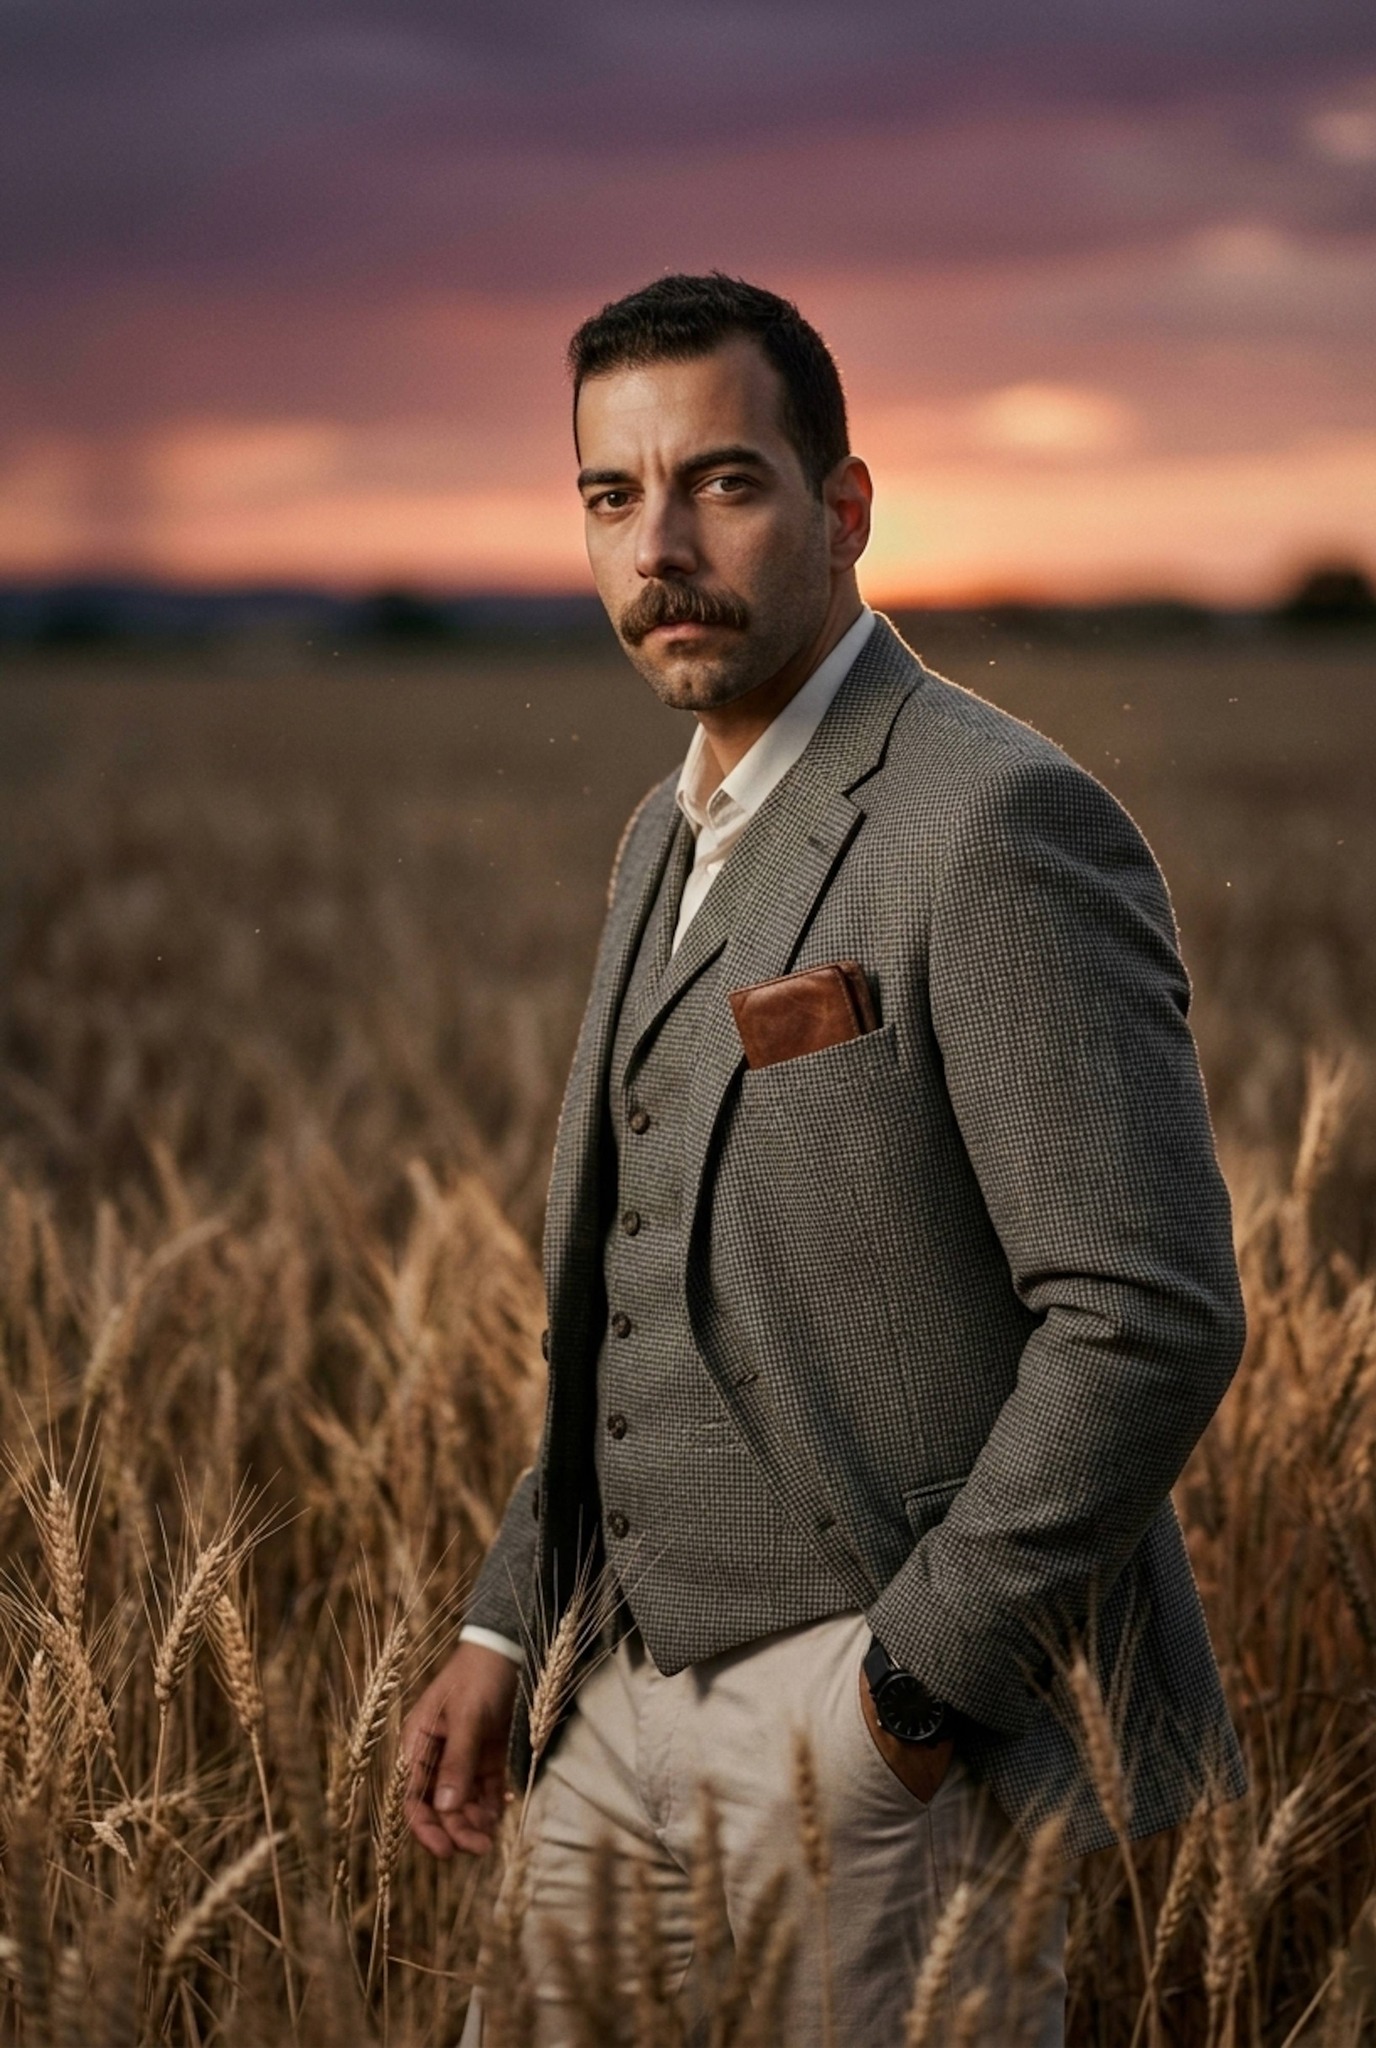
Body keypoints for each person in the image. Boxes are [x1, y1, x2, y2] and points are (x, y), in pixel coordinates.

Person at [401, 272, 1247, 2047]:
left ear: (843, 506)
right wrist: (506, 1625)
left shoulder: (992, 819)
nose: (659, 550)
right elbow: (635, 1297)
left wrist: (913, 1698)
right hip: (606, 1692)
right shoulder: (660, 838)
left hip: (864, 1708)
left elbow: (1146, 1315)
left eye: (722, 483)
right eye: (611, 497)